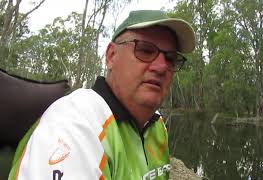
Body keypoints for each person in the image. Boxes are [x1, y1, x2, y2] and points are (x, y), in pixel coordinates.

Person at [9, 10, 195, 180]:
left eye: (170, 58)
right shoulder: (72, 125)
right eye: (145, 50)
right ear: (111, 56)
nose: (162, 67)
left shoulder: (157, 127)